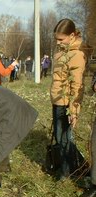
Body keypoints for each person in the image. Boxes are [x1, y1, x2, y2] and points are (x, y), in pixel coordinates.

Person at [50, 18, 86, 181]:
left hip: (66, 104)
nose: (58, 42)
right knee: (60, 138)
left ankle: (67, 172)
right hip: (57, 102)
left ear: (72, 36)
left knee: (64, 139)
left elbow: (77, 86)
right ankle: (74, 167)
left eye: (61, 39)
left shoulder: (76, 55)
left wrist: (73, 111)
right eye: (56, 39)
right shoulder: (60, 53)